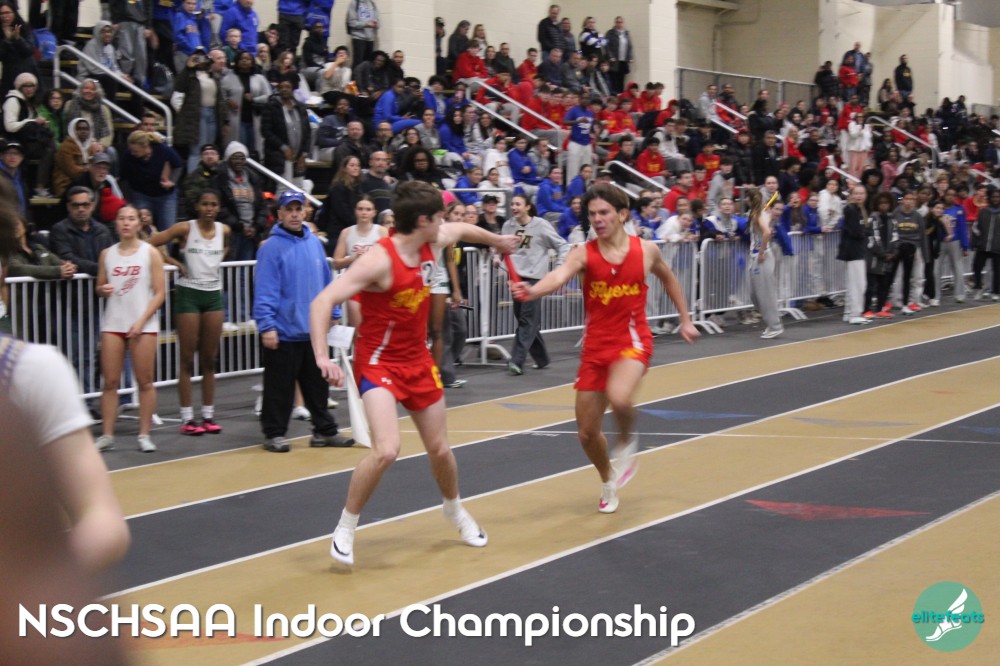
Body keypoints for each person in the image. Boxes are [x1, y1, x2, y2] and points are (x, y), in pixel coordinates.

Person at [309, 180, 519, 566]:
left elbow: (463, 229)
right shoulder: (378, 260)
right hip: (379, 362)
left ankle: (454, 509)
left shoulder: (432, 242)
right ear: (422, 220)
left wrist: (498, 241)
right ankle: (346, 526)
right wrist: (322, 356)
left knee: (440, 449)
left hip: (417, 361)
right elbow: (323, 301)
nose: (444, 223)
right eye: (439, 216)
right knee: (387, 449)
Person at [510, 185, 698, 513]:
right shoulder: (583, 253)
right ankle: (607, 479)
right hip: (595, 348)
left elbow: (669, 279)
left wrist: (686, 319)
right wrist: (532, 291)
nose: (597, 219)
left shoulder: (646, 250)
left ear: (622, 214)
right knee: (586, 433)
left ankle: (625, 442)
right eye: (592, 214)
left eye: (604, 213)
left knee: (620, 397)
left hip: (632, 341)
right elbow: (558, 276)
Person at [254, 190, 354, 453]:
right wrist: (267, 325)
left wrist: (333, 311)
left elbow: (326, 281)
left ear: (305, 211)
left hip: (313, 331)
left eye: (298, 209)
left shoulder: (314, 244)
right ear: (280, 214)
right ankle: (274, 433)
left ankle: (324, 430)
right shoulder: (271, 248)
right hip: (283, 331)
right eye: (289, 209)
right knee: (279, 388)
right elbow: (264, 289)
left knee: (317, 386)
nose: (294, 214)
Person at [149, 190, 229, 436]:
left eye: (213, 204)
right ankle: (187, 418)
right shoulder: (184, 228)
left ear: (218, 207)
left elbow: (226, 248)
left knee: (210, 359)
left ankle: (208, 415)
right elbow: (150, 243)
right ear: (197, 206)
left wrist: (215, 263)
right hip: (188, 294)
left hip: (213, 294)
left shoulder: (224, 231)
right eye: (205, 204)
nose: (209, 208)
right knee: (186, 358)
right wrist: (173, 262)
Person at [94, 205, 166, 453]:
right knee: (110, 381)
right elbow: (100, 285)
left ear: (138, 223)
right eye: (122, 219)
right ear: (116, 223)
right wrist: (102, 289)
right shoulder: (107, 254)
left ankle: (144, 434)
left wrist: (141, 320)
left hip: (143, 324)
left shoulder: (150, 253)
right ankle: (107, 434)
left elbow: (160, 293)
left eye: (131, 219)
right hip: (113, 322)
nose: (126, 223)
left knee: (145, 381)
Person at [502, 194, 570, 375]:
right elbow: (502, 248)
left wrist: (558, 268)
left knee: (526, 319)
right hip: (515, 277)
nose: (514, 207)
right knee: (525, 319)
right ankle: (542, 358)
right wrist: (498, 260)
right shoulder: (508, 225)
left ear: (527, 207)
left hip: (534, 278)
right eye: (512, 204)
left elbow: (563, 245)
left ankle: (516, 361)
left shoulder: (541, 225)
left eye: (518, 204)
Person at [332, 195, 387, 326]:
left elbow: (389, 259)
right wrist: (353, 258)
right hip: (354, 284)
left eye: (368, 209)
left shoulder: (381, 231)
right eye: (360, 209)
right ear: (355, 211)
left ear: (374, 212)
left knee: (377, 325)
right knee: (358, 328)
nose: (364, 212)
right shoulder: (346, 232)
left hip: (375, 284)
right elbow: (336, 262)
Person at [120, 131, 183, 231]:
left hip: (165, 196)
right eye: (131, 150)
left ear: (145, 147)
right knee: (140, 228)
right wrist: (128, 201)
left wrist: (172, 181)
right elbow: (123, 179)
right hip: (141, 195)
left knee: (168, 229)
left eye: (135, 151)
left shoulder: (163, 149)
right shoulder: (128, 156)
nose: (132, 153)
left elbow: (178, 165)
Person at [743, 188, 785, 338]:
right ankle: (770, 323)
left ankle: (775, 326)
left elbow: (766, 232)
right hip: (755, 256)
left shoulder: (757, 214)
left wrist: (761, 252)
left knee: (765, 294)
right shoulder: (760, 213)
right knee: (755, 295)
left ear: (749, 199)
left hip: (762, 257)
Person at [839, 184, 870, 325]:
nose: (859, 196)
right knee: (858, 284)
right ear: (851, 195)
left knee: (853, 283)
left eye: (861, 193)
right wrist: (865, 234)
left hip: (856, 250)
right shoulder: (851, 210)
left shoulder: (859, 210)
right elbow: (855, 231)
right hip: (853, 251)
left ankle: (849, 312)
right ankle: (855, 313)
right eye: (856, 193)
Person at [346, 0, 379, 67]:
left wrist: (376, 24)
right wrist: (366, 24)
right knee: (358, 63)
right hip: (358, 38)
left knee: (368, 64)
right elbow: (351, 22)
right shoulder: (355, 3)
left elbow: (378, 21)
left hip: (370, 38)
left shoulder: (372, 4)